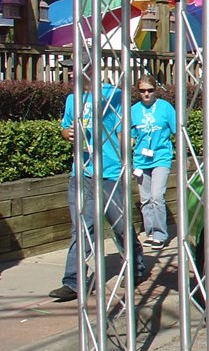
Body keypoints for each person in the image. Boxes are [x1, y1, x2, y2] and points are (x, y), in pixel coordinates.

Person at [49, 60, 146, 302]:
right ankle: (73, 281)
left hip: (111, 173)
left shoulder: (113, 95)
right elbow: (64, 127)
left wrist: (128, 163)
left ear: (91, 70)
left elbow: (127, 130)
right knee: (81, 229)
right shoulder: (72, 99)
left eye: (75, 67)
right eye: (67, 68)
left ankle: (135, 266)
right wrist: (66, 133)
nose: (70, 72)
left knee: (120, 225)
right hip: (81, 174)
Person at [130, 75, 176, 249]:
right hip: (140, 160)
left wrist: (184, 156)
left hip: (161, 157)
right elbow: (131, 137)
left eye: (150, 90)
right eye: (142, 91)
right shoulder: (134, 110)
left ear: (155, 91)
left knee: (157, 195)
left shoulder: (165, 108)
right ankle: (150, 232)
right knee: (145, 199)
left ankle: (160, 233)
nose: (146, 94)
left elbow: (177, 131)